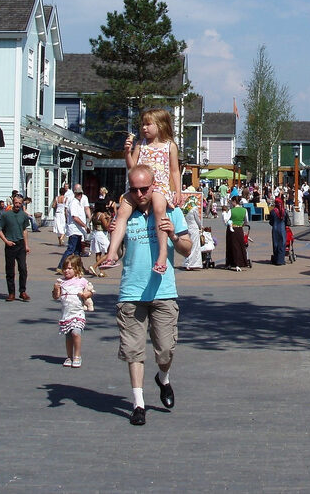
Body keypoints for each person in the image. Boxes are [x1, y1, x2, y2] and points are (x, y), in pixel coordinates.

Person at [111, 165, 191, 425]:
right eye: (133, 190)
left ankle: (163, 378)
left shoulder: (170, 211)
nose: (139, 194)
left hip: (164, 290)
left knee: (165, 349)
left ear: (154, 185)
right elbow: (121, 252)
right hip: (131, 291)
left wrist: (173, 236)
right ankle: (138, 404)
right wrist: (110, 250)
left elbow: (187, 249)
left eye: (144, 189)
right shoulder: (126, 213)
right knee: (134, 351)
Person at [102, 108, 181, 275]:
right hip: (139, 184)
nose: (144, 128)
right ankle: (112, 253)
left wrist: (178, 191)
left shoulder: (170, 146)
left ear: (160, 125)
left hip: (159, 186)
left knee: (159, 209)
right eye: (143, 124)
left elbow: (175, 170)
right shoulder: (141, 144)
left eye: (148, 124)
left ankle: (162, 253)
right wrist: (127, 153)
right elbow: (133, 168)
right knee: (122, 211)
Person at [52, 255, 93, 368]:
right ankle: (69, 356)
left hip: (78, 312)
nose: (66, 271)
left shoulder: (81, 281)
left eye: (70, 268)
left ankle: (77, 355)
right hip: (66, 313)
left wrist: (86, 294)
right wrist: (56, 288)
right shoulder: (61, 282)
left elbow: (90, 291)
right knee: (69, 336)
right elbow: (56, 296)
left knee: (76, 332)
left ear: (77, 268)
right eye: (65, 268)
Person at [0, 193, 31, 302]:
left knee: (23, 269)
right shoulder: (6, 215)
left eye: (19, 203)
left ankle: (22, 291)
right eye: (16, 203)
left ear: (22, 204)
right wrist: (6, 241)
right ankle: (11, 293)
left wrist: (26, 245)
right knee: (10, 270)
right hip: (10, 245)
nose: (17, 205)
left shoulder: (24, 216)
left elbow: (24, 230)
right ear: (13, 202)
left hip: (20, 244)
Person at [57, 185, 88, 271]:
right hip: (74, 230)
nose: (80, 196)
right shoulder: (74, 203)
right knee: (70, 249)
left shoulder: (78, 203)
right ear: (76, 194)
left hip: (78, 230)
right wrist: (84, 225)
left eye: (80, 194)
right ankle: (61, 266)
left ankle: (79, 267)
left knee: (77, 251)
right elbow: (75, 217)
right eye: (78, 194)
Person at [225, 196, 249, 270]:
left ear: (234, 202)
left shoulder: (231, 210)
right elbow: (246, 221)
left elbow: (226, 220)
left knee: (231, 246)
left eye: (232, 201)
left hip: (232, 230)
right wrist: (242, 224)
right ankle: (240, 262)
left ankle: (231, 262)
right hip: (239, 229)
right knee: (240, 246)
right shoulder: (244, 210)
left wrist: (230, 223)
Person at [182, 197, 203, 270]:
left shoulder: (185, 209)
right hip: (194, 228)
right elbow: (197, 219)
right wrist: (201, 226)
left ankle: (187, 262)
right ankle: (192, 264)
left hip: (187, 228)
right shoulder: (194, 208)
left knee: (188, 246)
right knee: (194, 246)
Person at [88, 209, 111, 277]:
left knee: (98, 253)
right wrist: (109, 219)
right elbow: (106, 227)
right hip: (101, 235)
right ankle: (94, 266)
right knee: (109, 252)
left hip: (95, 233)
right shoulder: (101, 215)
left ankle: (101, 272)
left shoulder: (94, 215)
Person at [269, 196, 290, 265]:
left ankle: (276, 259)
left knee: (275, 244)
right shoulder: (284, 211)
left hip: (275, 228)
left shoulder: (273, 211)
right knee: (282, 243)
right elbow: (288, 222)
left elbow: (271, 222)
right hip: (282, 228)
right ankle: (281, 260)